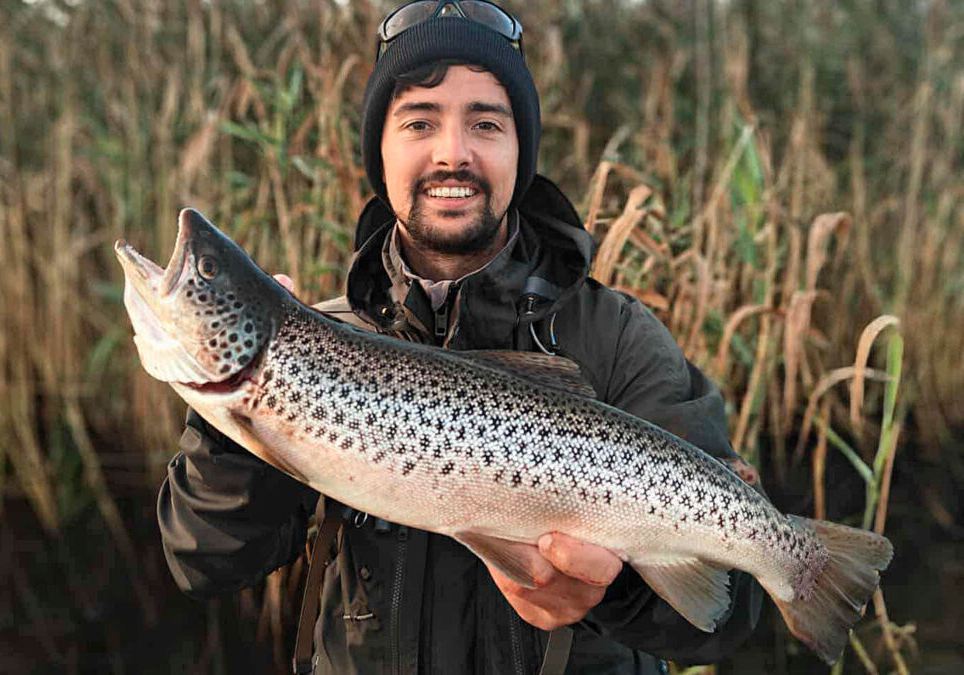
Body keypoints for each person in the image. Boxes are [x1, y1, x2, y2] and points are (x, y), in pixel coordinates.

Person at [157, 2, 765, 673]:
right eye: (420, 122)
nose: (453, 151)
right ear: (379, 150)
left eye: (485, 123)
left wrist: (614, 590)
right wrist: (233, 421)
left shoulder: (617, 337)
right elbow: (204, 559)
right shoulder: (325, 342)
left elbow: (728, 610)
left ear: (519, 150)